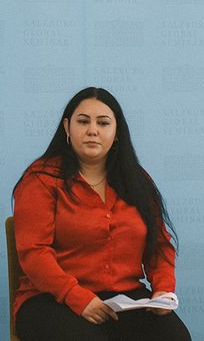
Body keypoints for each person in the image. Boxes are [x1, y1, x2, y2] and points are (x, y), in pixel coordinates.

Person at [11, 87, 191, 341]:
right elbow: (34, 253)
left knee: (174, 336)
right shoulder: (41, 179)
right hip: (51, 299)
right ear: (67, 127)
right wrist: (77, 297)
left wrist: (163, 290)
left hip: (124, 299)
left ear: (116, 132)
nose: (92, 130)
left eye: (103, 123)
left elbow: (159, 245)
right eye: (83, 121)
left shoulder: (137, 180)